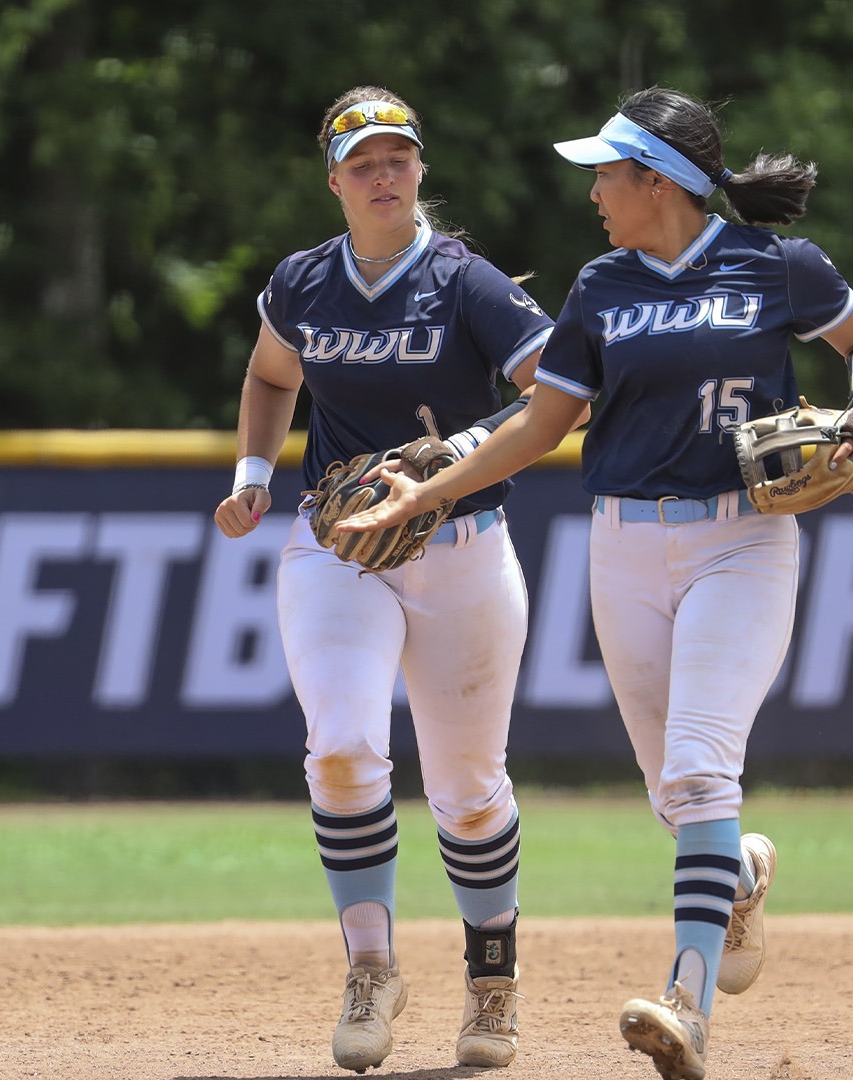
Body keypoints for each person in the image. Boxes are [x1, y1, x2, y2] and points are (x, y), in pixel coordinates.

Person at [336, 86, 853, 1080]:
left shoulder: (776, 265)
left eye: (607, 172)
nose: (594, 191)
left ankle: (687, 1008)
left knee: (700, 770)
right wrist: (427, 494)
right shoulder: (601, 286)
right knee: (674, 792)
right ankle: (740, 873)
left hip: (742, 541)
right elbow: (540, 424)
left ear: (659, 180)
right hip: (624, 546)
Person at [211, 86, 561, 1074]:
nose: (382, 175)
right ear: (334, 181)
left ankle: (491, 979)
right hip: (339, 545)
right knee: (341, 750)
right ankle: (371, 968)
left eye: (397, 158)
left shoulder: (466, 283)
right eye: (362, 162)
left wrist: (452, 453)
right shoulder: (302, 282)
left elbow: (558, 393)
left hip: (461, 545)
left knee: (468, 789)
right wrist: (251, 473)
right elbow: (271, 375)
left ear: (419, 170)